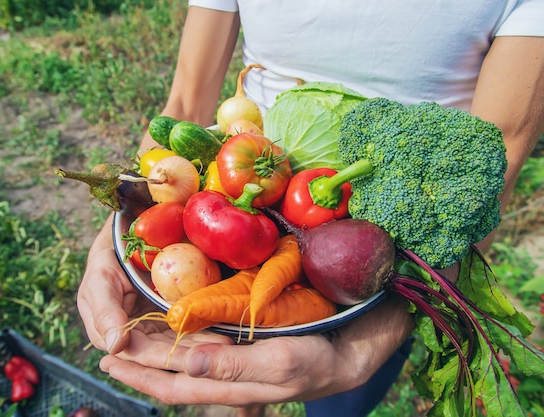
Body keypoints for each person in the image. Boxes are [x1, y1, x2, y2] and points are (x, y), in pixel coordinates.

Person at [77, 1, 544, 416]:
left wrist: (373, 336)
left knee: (337, 405)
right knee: (227, 391)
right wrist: (126, 221)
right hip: (245, 176)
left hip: (375, 261)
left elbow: (493, 158)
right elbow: (186, 100)